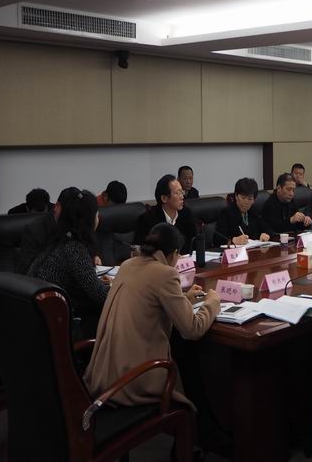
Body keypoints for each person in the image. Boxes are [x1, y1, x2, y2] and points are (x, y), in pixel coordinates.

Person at [83, 223, 221, 446]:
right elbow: (192, 329)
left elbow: (148, 303)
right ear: (173, 253)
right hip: (133, 379)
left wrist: (183, 299)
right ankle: (203, 436)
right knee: (189, 365)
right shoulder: (166, 273)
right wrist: (213, 302)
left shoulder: (128, 264)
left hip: (103, 373)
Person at [27, 190, 109, 338]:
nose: (98, 218)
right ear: (88, 219)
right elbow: (100, 294)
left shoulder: (60, 240)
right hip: (61, 330)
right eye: (96, 214)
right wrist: (122, 289)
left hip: (41, 325)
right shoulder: (74, 248)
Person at [16, 186, 84, 274]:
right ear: (57, 207)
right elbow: (27, 270)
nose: (72, 217)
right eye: (69, 212)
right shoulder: (33, 231)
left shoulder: (76, 223)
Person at [134, 174, 198, 254]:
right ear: (164, 198)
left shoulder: (186, 214)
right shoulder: (147, 219)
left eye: (182, 192)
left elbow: (195, 242)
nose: (182, 197)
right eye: (178, 193)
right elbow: (140, 249)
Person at [214, 178, 271, 246]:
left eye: (249, 199)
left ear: (254, 200)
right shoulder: (227, 213)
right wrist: (233, 240)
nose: (246, 202)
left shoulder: (254, 212)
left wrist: (266, 235)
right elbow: (217, 239)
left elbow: (269, 231)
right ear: (236, 196)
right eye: (243, 198)